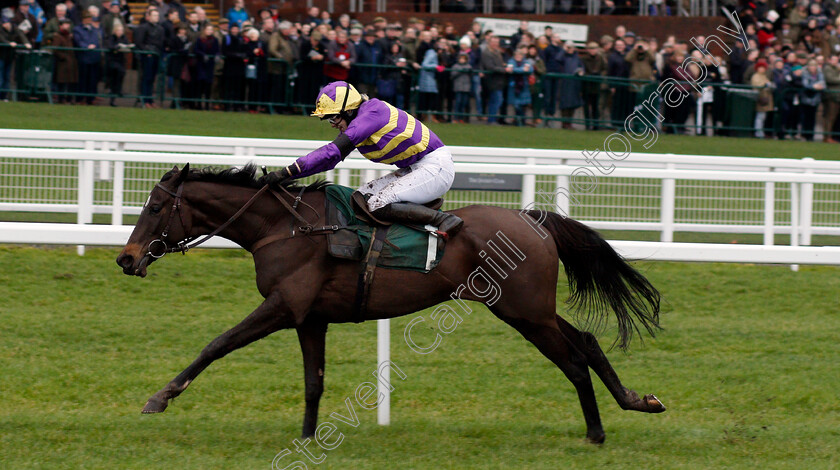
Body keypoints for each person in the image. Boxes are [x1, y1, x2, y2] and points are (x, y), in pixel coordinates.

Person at [265, 81, 463, 238]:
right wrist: (289, 176)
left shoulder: (371, 115)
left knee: (378, 203)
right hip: (415, 167)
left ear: (349, 111)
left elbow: (331, 152)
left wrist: (287, 171)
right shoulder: (361, 119)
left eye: (333, 118)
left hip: (436, 168)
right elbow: (329, 161)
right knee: (359, 198)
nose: (333, 124)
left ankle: (443, 219)